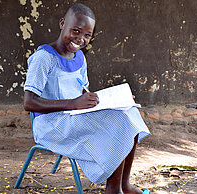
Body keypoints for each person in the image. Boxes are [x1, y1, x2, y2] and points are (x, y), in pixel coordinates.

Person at [23, 3, 150, 194]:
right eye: (75, 31)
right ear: (62, 23)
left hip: (74, 116)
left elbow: (84, 94)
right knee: (117, 121)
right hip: (51, 123)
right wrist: (73, 104)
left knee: (127, 112)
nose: (80, 39)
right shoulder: (44, 58)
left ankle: (124, 184)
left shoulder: (80, 57)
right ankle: (113, 190)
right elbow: (29, 102)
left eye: (87, 35)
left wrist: (116, 99)